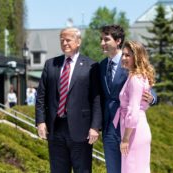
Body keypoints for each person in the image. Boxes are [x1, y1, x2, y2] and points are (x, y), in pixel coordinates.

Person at [35, 27, 102, 173]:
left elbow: (96, 99)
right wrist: (40, 122)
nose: (64, 43)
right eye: (62, 40)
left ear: (78, 42)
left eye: (68, 40)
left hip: (82, 130)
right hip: (55, 129)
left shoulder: (92, 66)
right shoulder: (50, 64)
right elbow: (41, 96)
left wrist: (95, 127)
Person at [99, 24, 157, 173]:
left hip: (130, 127)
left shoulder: (132, 66)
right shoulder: (101, 66)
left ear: (118, 41)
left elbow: (148, 91)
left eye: (106, 39)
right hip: (109, 127)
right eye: (101, 39)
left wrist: (152, 99)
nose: (102, 43)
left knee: (132, 168)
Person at [113, 40, 155, 173]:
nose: (123, 58)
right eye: (123, 55)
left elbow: (134, 111)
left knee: (131, 169)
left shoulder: (135, 79)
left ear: (136, 57)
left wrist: (125, 139)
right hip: (137, 130)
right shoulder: (139, 77)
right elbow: (144, 105)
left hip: (134, 133)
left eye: (128, 55)